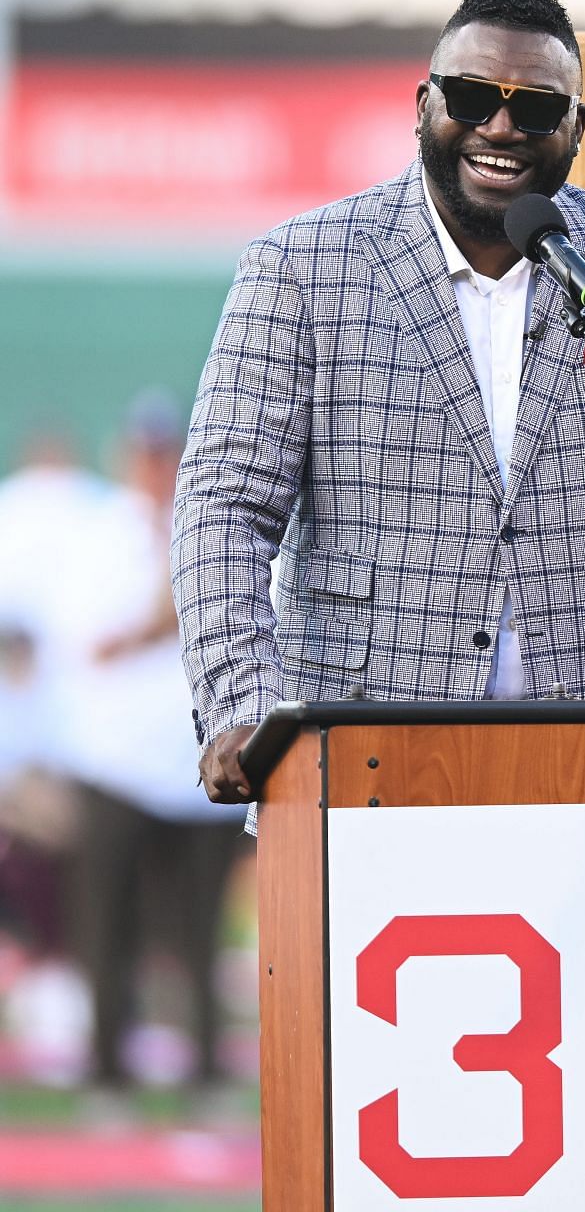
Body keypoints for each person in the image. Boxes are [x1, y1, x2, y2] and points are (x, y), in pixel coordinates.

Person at [174, 0, 585, 806]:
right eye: (471, 98)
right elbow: (223, 506)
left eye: (535, 109)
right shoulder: (301, 269)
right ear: (424, 104)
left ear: (576, 129)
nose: (500, 127)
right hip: (359, 757)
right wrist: (242, 702)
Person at [60, 397, 242, 1108]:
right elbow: (94, 643)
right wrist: (171, 611)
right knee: (107, 930)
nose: (157, 468)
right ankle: (108, 1075)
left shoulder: (214, 525)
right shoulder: (97, 538)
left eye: (166, 453)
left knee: (200, 937)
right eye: (146, 454)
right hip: (116, 766)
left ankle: (206, 1076)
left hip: (200, 766)